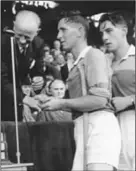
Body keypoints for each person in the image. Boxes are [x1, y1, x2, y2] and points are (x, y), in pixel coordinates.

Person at [38, 10, 121, 170]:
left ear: (80, 32)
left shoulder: (93, 55)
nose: (58, 36)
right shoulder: (77, 63)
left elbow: (99, 99)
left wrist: (60, 103)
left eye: (63, 30)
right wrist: (52, 102)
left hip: (99, 128)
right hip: (83, 127)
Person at [99, 10, 135, 170]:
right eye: (102, 33)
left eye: (109, 31)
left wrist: (129, 100)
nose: (104, 38)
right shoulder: (103, 62)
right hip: (111, 127)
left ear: (124, 31)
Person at [1, 10, 45, 121]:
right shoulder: (2, 44)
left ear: (37, 32)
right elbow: (1, 80)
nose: (22, 40)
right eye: (19, 35)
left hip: (17, 99)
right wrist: (24, 99)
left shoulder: (38, 44)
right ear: (14, 27)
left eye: (27, 37)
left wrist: (39, 79)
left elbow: (38, 71)